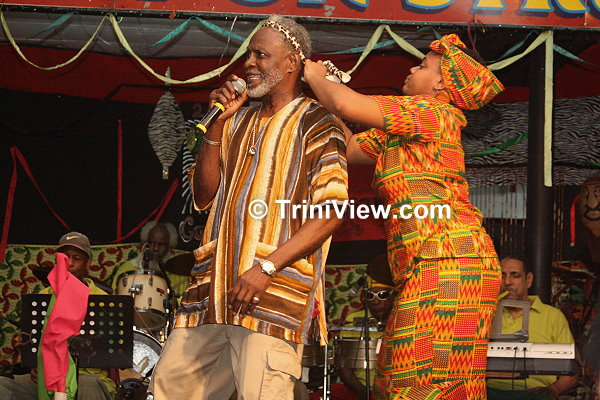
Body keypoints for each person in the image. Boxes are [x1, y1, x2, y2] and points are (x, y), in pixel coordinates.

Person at [149, 15, 348, 400]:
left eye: (261, 55)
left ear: (292, 62)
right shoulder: (235, 119)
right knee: (169, 389)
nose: (249, 63)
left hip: (269, 297)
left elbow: (331, 212)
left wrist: (266, 267)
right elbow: (204, 197)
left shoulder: (318, 123)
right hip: (212, 293)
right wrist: (216, 126)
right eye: (248, 54)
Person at [304, 34, 504, 399]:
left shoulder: (431, 112)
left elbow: (347, 103)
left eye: (423, 65)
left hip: (450, 261)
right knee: (408, 374)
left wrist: (314, 75)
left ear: (441, 85)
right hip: (432, 263)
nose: (412, 68)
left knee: (420, 378)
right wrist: (327, 91)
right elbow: (348, 147)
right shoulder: (400, 132)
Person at [0, 232, 116, 400]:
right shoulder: (43, 296)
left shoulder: (102, 299)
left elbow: (113, 350)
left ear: (88, 264)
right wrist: (35, 365)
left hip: (86, 376)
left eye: (76, 258)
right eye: (64, 258)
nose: (70, 263)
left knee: (89, 384)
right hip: (48, 378)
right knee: (2, 385)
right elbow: (34, 343)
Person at [487, 257, 579, 400]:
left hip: (534, 394)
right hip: (487, 391)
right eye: (502, 276)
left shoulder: (553, 316)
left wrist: (554, 390)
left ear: (528, 280)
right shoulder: (486, 313)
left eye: (515, 275)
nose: (507, 282)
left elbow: (572, 371)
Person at [337, 277, 395, 400]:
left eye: (382, 295)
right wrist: (361, 391)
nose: (375, 301)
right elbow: (343, 364)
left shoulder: (403, 319)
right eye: (370, 296)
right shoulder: (353, 320)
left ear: (393, 297)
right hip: (360, 389)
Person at [111, 221, 189, 300]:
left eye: (161, 244)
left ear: (169, 247)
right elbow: (114, 297)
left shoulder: (180, 275)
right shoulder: (126, 269)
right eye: (152, 243)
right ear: (145, 244)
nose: (156, 248)